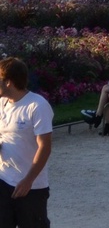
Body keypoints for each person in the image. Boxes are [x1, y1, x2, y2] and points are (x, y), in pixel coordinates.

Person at [0, 57, 53, 227]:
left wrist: (28, 180)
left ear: (8, 82)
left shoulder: (37, 105)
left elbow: (45, 147)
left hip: (31, 187)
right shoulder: (1, 103)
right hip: (3, 180)